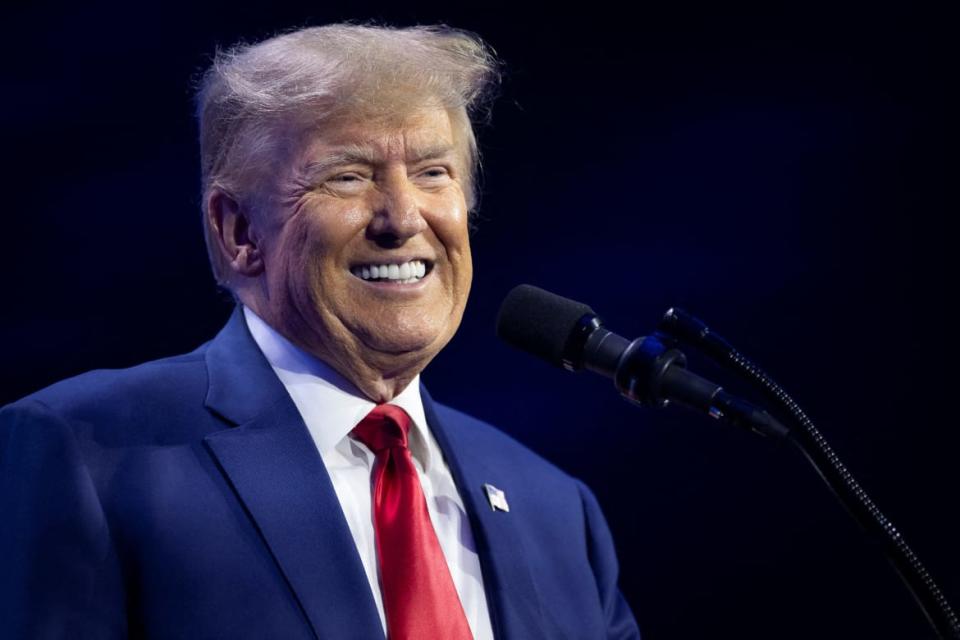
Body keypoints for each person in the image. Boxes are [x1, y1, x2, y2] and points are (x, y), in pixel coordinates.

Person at [0, 24, 641, 639]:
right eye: (349, 175)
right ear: (239, 233)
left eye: (433, 173)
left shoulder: (556, 509)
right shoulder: (88, 454)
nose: (403, 217)